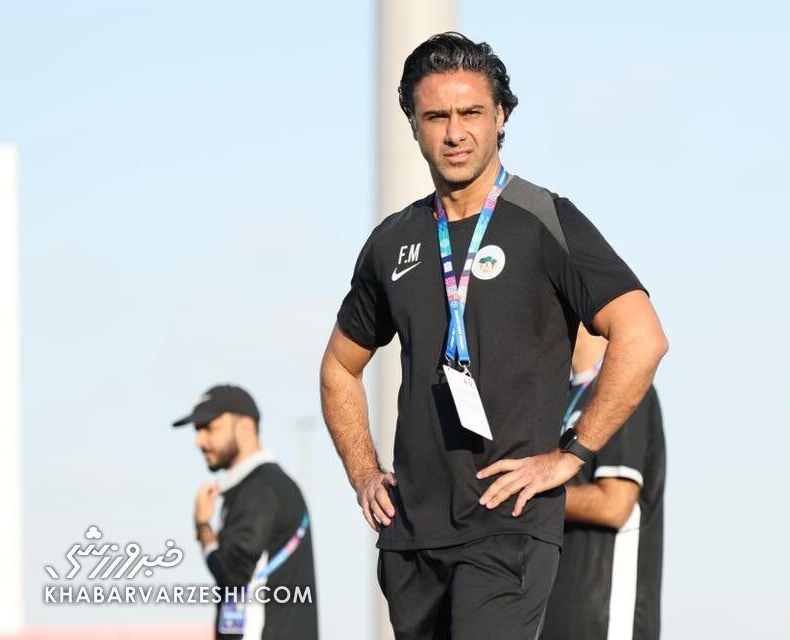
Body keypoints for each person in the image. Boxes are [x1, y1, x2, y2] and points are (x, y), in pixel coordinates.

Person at [319, 32, 668, 640]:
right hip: (411, 533)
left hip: (509, 525)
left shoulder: (544, 219)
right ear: (413, 124)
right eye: (436, 116)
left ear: (501, 116)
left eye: (472, 112)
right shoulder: (392, 241)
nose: (455, 133)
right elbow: (338, 368)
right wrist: (364, 473)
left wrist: (571, 455)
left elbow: (642, 335)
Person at [541, 327, 666, 640]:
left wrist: (528, 489)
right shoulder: (556, 397)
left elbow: (614, 504)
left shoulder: (626, 388)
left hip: (604, 613)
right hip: (550, 607)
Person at [172, 384, 319, 639]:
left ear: (245, 427)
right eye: (197, 430)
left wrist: (203, 527)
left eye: (209, 428)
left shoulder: (260, 489)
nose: (199, 440)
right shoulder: (260, 486)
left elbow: (231, 575)